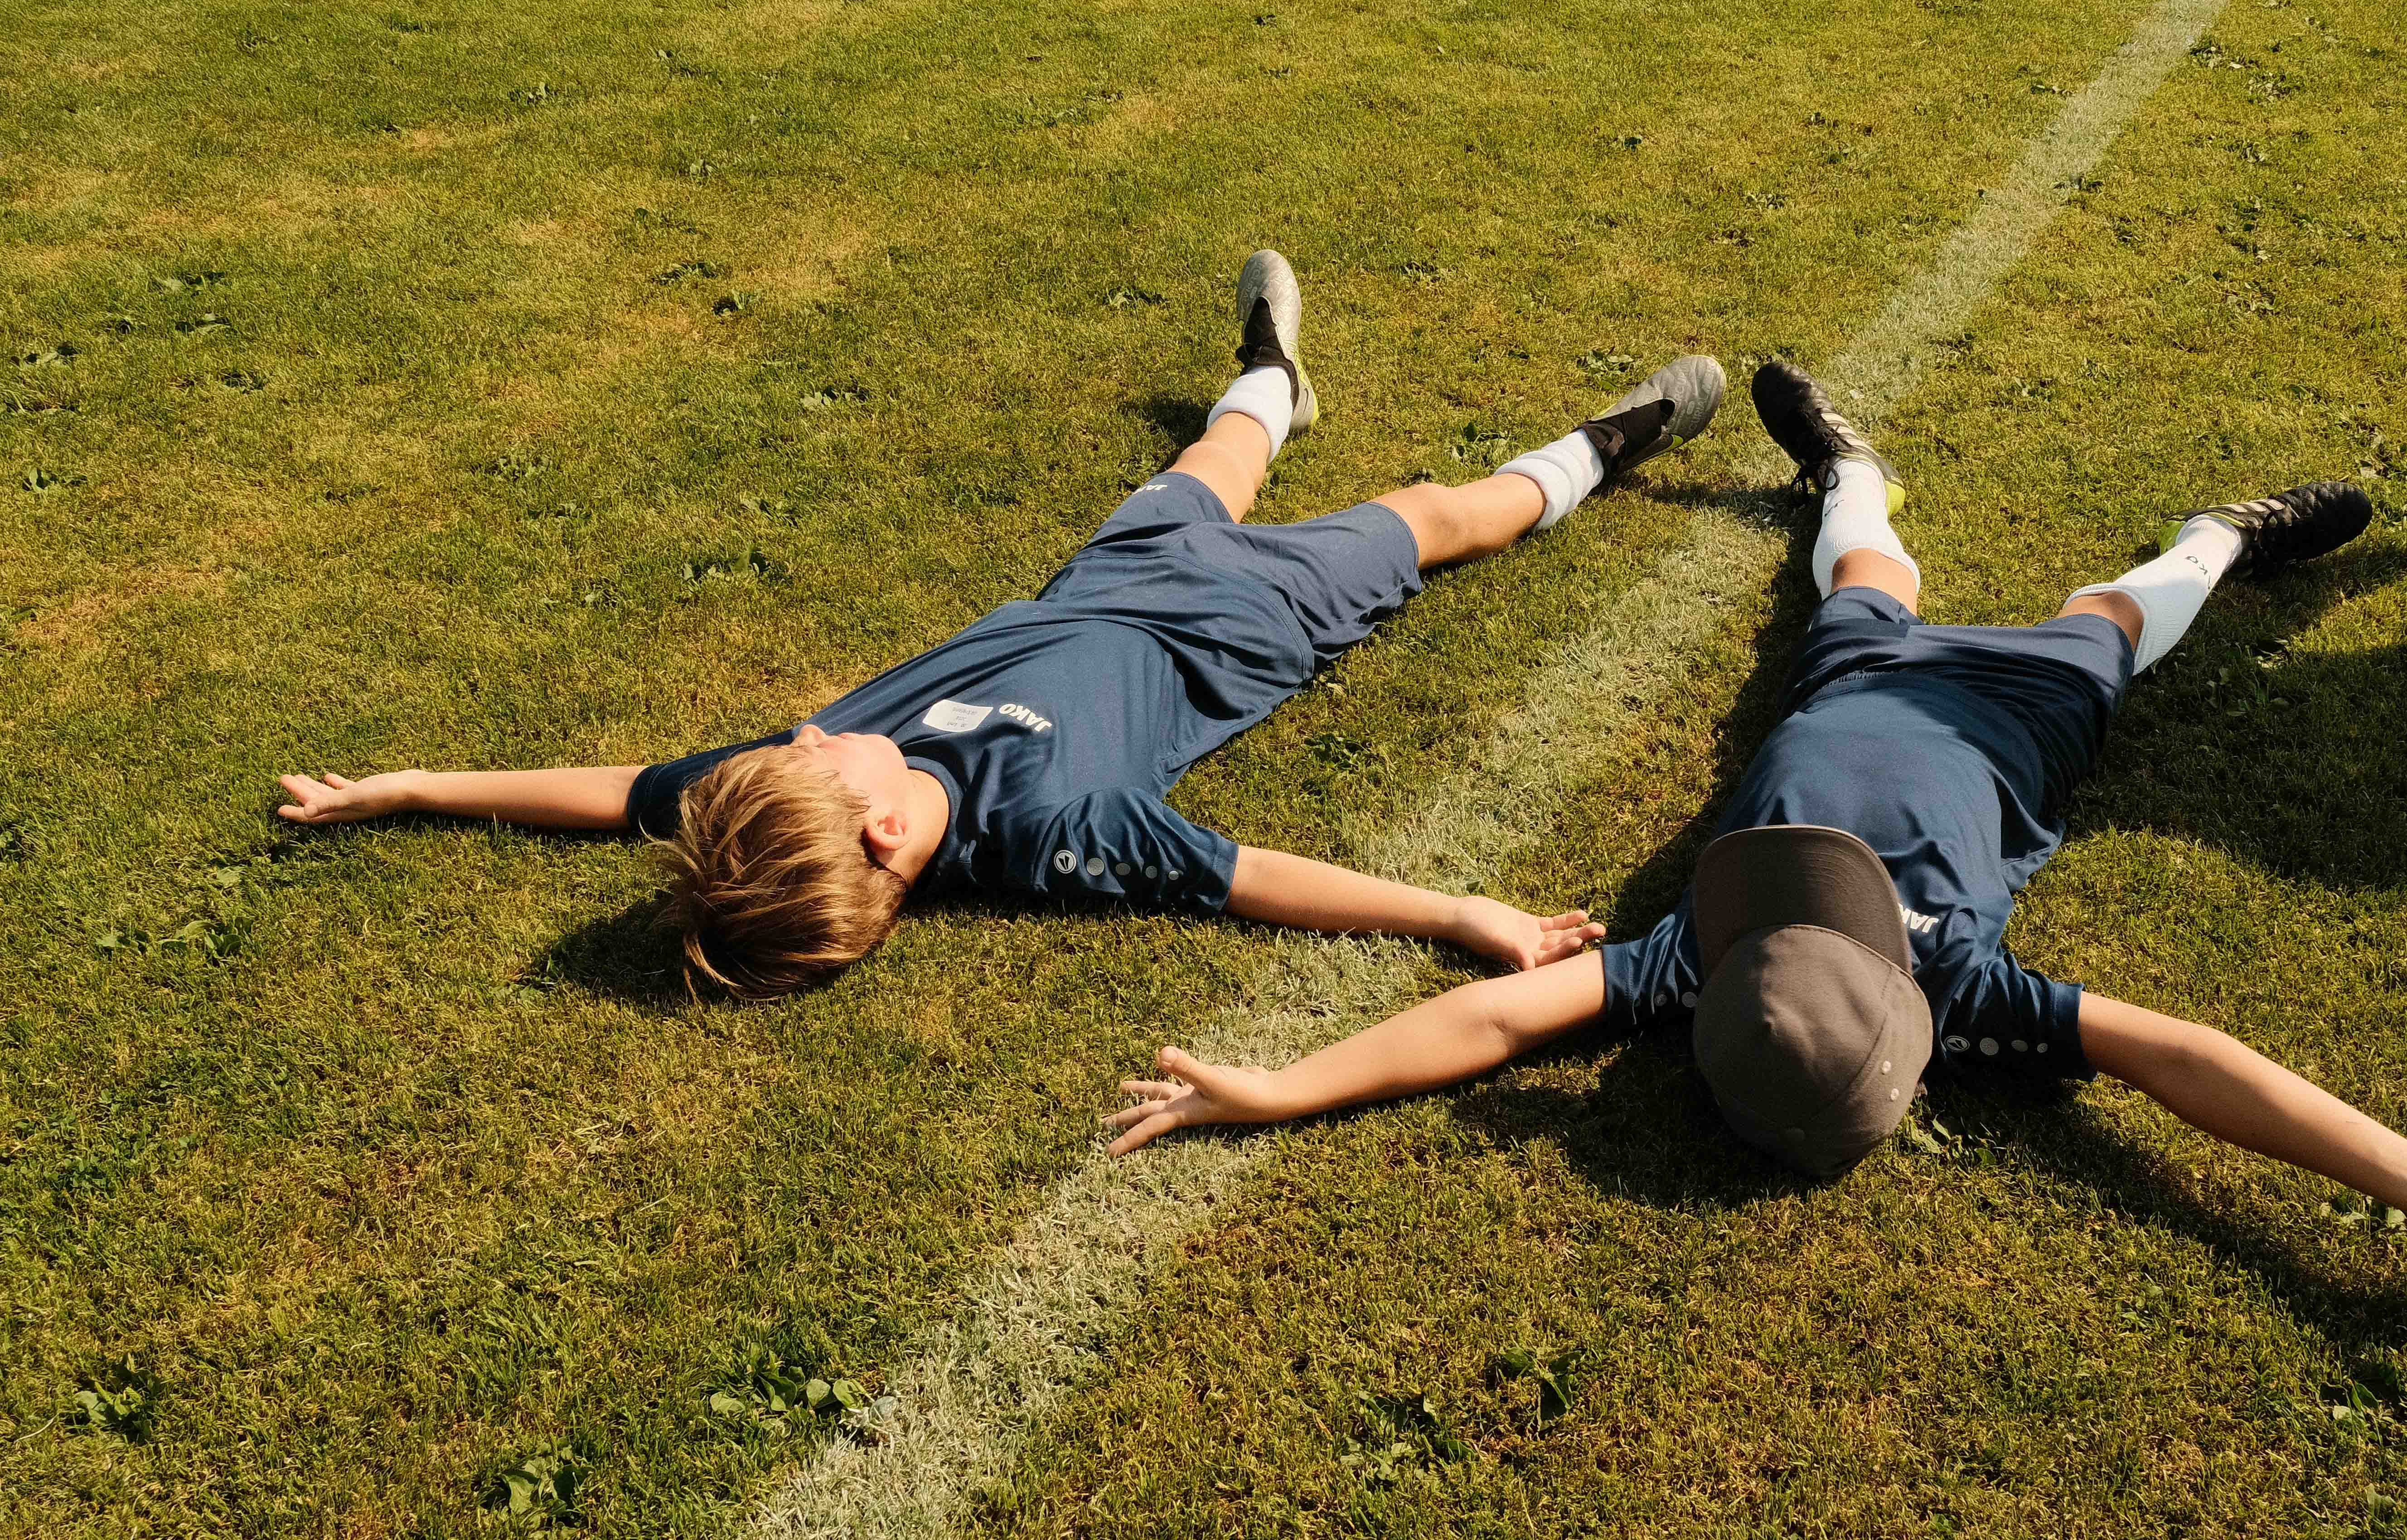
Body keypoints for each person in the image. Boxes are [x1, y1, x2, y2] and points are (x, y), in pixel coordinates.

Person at [1105, 361, 2407, 1311]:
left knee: (1862, 575)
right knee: (2109, 620)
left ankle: (1845, 468)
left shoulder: (1702, 963)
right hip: (2010, 727)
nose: (1791, 895)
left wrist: (1287, 1087)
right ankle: (2226, 536)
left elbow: (1498, 1017)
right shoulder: (1960, 993)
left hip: (1849, 682)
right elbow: (2186, 1057)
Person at [277, 252, 1730, 996]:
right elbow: (1253, 876)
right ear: (890, 843)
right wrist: (1460, 912)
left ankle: (1273, 376)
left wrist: (412, 787)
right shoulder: (1052, 829)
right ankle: (1601, 449)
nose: (808, 731)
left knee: (1214, 463)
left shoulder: (783, 792)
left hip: (1102, 582)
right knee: (1433, 511)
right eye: (822, 763)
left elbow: (617, 796)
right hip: (1248, 626)